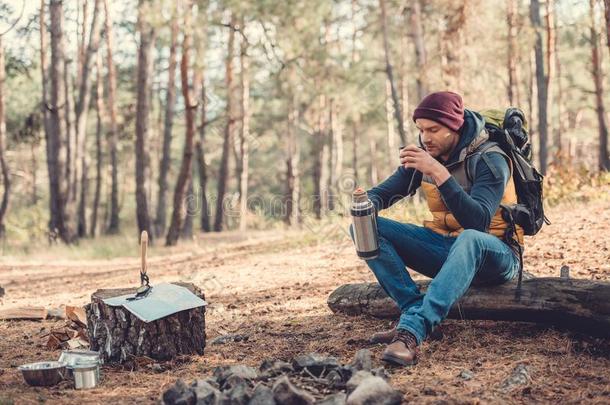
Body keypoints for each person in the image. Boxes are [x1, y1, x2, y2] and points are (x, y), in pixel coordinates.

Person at [349, 91, 523, 367]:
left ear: (454, 127)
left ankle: (412, 332)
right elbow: (386, 193)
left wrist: (439, 173)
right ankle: (413, 309)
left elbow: (478, 223)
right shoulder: (428, 154)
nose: (425, 137)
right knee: (364, 227)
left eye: (433, 129)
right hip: (448, 249)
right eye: (421, 129)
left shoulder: (491, 159)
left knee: (470, 238)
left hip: (496, 255)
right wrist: (363, 202)